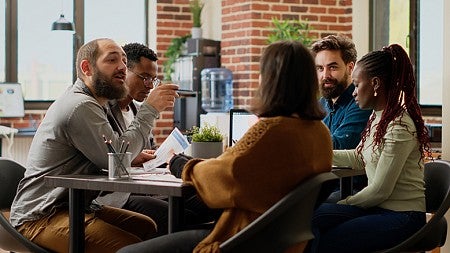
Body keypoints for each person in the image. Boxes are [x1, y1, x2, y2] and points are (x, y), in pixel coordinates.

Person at [117, 40, 333, 253]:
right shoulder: (320, 132)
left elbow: (225, 179)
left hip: (242, 241)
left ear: (269, 80)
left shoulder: (271, 131)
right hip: (279, 241)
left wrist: (182, 166)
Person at [9, 38, 179, 253]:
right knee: (133, 248)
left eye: (125, 62)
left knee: (147, 227)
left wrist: (129, 156)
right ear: (87, 68)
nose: (122, 68)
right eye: (112, 60)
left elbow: (114, 155)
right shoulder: (80, 105)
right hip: (41, 216)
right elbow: (119, 154)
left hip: (77, 207)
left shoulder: (98, 104)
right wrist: (150, 109)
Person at [307, 44, 431, 253]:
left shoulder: (399, 125)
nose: (354, 93)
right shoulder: (378, 116)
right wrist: (314, 155)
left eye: (356, 85)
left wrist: (344, 203)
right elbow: (359, 157)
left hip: (402, 216)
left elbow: (380, 190)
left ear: (375, 84)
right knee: (309, 220)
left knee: (327, 241)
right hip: (379, 208)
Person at [97, 42, 211, 236]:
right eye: (144, 78)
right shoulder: (102, 110)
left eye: (153, 79)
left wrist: (157, 156)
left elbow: (145, 150)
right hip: (117, 196)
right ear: (125, 72)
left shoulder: (136, 110)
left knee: (205, 201)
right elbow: (106, 156)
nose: (149, 86)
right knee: (184, 217)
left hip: (143, 187)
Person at [311, 35, 372, 196]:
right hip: (321, 184)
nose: (325, 75)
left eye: (333, 67)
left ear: (350, 67)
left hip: (350, 189)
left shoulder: (361, 103)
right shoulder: (320, 104)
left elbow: (340, 144)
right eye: (320, 68)